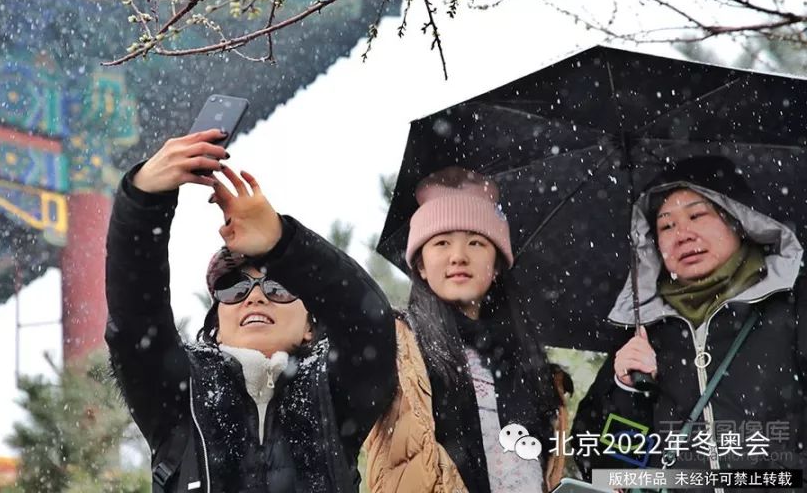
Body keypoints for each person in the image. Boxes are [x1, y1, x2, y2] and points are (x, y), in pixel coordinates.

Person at [105, 129, 397, 493]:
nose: (255, 297)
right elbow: (135, 319)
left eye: (277, 286)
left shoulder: (332, 396)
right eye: (234, 287)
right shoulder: (180, 396)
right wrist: (142, 200)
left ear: (311, 326)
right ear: (216, 326)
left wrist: (281, 241)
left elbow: (369, 324)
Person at [573, 156, 807, 485]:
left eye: (697, 215)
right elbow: (609, 471)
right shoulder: (643, 334)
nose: (682, 234)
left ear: (738, 222)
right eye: (666, 226)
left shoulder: (792, 304)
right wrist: (628, 393)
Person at [364, 167, 572, 493]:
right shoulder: (396, 345)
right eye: (441, 243)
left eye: (476, 243)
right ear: (419, 263)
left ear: (498, 263)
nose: (458, 256)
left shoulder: (530, 366)